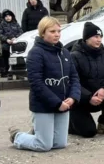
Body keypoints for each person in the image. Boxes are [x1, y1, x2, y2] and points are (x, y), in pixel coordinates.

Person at [10, 17, 79, 152]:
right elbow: (36, 83)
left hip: (64, 104)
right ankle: (17, 136)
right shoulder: (35, 53)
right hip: (43, 105)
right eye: (52, 31)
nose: (57, 34)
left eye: (58, 31)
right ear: (42, 33)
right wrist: (57, 103)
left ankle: (39, 132)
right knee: (43, 145)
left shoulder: (64, 52)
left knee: (60, 143)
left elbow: (74, 77)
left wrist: (73, 97)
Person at [68, 22, 104, 138]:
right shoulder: (74, 56)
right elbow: (72, 82)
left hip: (99, 97)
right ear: (87, 38)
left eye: (100, 37)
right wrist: (88, 97)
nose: (99, 40)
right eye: (96, 37)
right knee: (89, 132)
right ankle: (69, 124)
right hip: (80, 102)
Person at [0, 9, 23, 78]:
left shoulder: (16, 24)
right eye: (6, 16)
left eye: (9, 16)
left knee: (17, 59)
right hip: (5, 45)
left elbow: (21, 32)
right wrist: (6, 39)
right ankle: (6, 73)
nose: (8, 17)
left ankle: (18, 73)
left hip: (16, 45)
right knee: (5, 59)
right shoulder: (1, 25)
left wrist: (15, 38)